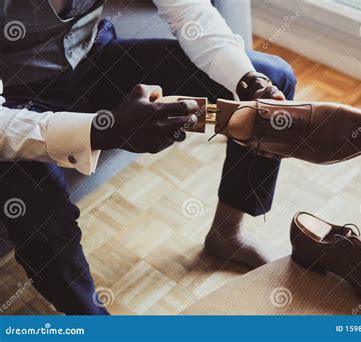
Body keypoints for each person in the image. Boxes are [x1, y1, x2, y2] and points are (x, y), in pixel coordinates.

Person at [0, 0, 296, 314]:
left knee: (273, 76)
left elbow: (187, 9)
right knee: (42, 218)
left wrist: (248, 82)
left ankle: (227, 233)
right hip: (14, 95)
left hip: (92, 55)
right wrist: (102, 132)